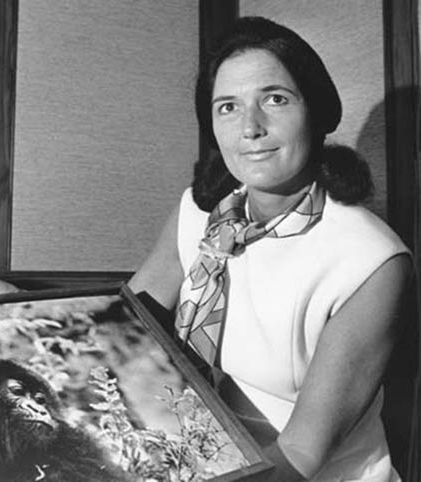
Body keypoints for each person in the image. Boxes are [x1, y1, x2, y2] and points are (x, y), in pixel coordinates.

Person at [128, 16, 412, 482]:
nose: (251, 127)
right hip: (200, 458)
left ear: (317, 111)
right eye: (228, 107)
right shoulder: (197, 212)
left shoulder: (371, 260)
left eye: (275, 99)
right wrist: (14, 309)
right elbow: (127, 322)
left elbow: (302, 450)